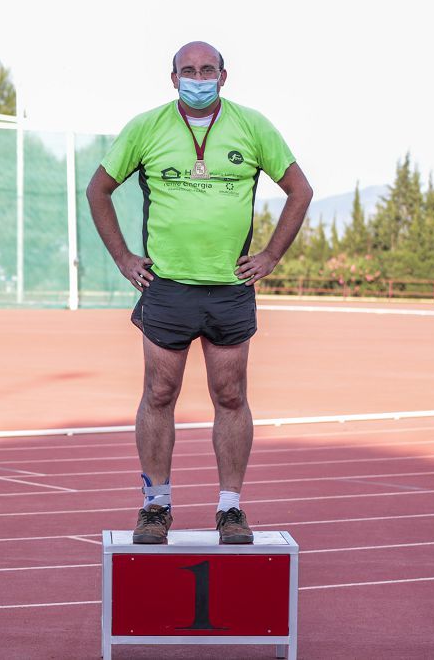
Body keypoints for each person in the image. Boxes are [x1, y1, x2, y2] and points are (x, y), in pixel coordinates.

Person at [86, 41, 312, 545]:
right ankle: (154, 506)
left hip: (230, 288)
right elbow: (97, 189)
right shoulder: (146, 127)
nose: (198, 77)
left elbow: (301, 190)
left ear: (224, 76)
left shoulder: (253, 126)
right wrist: (124, 257)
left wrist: (271, 255)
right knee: (159, 394)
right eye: (188, 70)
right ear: (172, 79)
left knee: (230, 396)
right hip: (167, 287)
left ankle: (231, 508)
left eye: (207, 69)